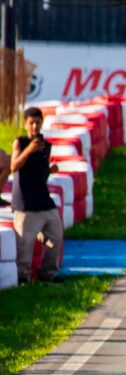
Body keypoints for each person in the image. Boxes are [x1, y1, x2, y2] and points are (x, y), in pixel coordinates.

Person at [9, 107, 62, 285]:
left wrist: (50, 170)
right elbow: (14, 166)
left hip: (43, 200)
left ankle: (47, 275)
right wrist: (29, 150)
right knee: (25, 245)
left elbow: (40, 175)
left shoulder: (45, 145)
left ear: (42, 123)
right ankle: (23, 279)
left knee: (55, 237)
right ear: (25, 124)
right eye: (30, 123)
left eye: (37, 122)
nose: (34, 126)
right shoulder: (20, 143)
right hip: (25, 204)